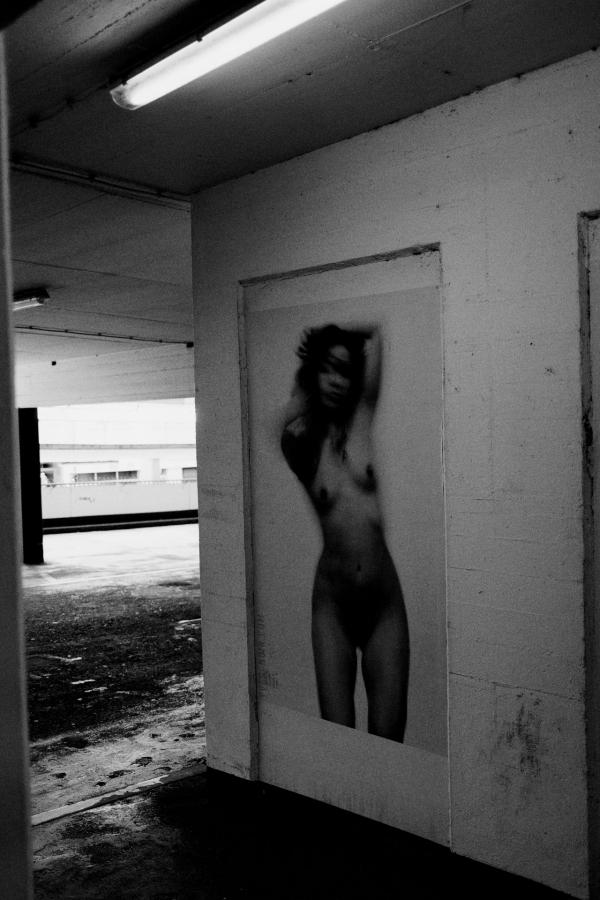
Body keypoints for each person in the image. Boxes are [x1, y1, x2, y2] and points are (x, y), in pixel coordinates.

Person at [280, 322, 409, 742]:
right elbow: (286, 418)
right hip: (332, 609)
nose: (337, 381)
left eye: (345, 372)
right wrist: (312, 365)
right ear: (313, 373)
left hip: (383, 606)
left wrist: (340, 336)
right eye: (328, 369)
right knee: (339, 741)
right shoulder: (301, 443)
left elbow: (378, 334)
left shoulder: (362, 419)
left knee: (389, 740)